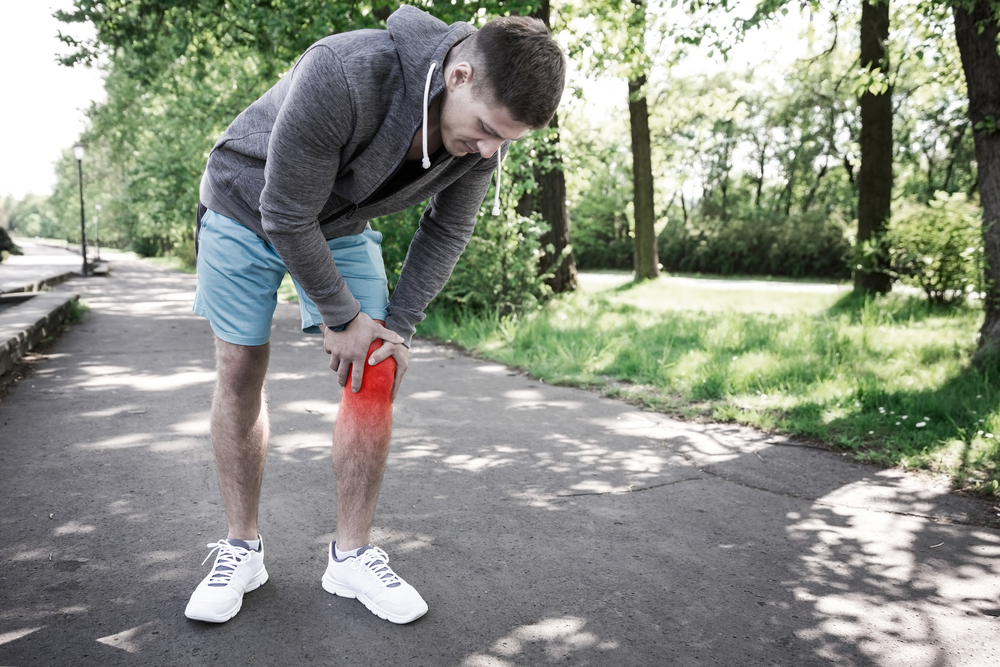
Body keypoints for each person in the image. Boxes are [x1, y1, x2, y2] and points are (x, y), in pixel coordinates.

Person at [183, 6, 566, 625]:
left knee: (377, 366)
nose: (490, 150)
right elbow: (283, 211)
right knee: (240, 363)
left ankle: (350, 556)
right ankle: (240, 550)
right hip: (244, 203)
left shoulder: (481, 141)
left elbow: (447, 233)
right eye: (488, 129)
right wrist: (341, 317)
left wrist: (397, 328)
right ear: (459, 75)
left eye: (506, 141)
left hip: (336, 223)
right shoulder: (344, 71)